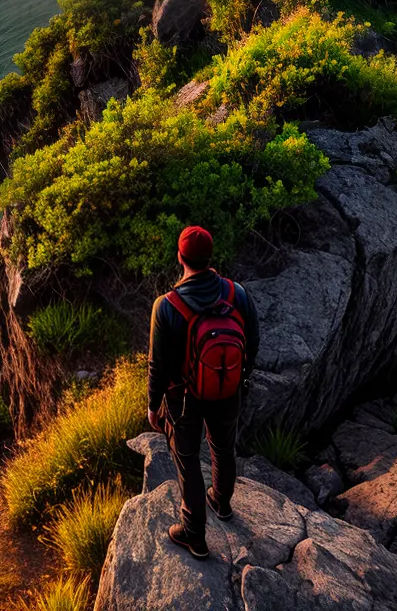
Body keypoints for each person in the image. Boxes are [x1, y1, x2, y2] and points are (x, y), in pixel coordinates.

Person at [147, 225, 260, 558]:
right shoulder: (236, 293)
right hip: (227, 391)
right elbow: (252, 340)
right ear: (210, 257)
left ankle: (193, 534)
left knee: (187, 461)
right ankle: (221, 503)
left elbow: (158, 364)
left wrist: (153, 406)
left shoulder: (166, 306)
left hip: (183, 400)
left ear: (180, 258)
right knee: (223, 448)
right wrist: (239, 378)